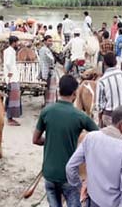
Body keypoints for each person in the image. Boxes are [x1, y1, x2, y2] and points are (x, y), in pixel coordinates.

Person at [34, 75, 98, 207]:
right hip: (69, 176)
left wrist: (52, 140)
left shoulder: (46, 111)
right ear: (75, 93)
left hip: (49, 174)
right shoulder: (80, 116)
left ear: (58, 90)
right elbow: (99, 137)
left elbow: (35, 140)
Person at [65, 106, 122, 207]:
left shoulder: (91, 137)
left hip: (92, 200)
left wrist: (80, 186)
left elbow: (70, 167)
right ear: (121, 124)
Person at [95, 52, 122, 128]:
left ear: (104, 63)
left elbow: (99, 106)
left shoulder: (102, 80)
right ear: (116, 62)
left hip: (111, 115)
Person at [3, 35, 23, 126]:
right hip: (12, 78)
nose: (18, 44)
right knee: (13, 98)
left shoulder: (7, 51)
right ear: (14, 42)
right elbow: (7, 63)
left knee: (10, 97)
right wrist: (10, 72)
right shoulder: (11, 52)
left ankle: (9, 116)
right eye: (17, 42)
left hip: (11, 77)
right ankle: (10, 118)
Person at [39, 34, 58, 106]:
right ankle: (49, 104)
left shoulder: (44, 49)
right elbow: (51, 60)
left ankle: (47, 103)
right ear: (45, 42)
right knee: (49, 89)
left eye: (51, 41)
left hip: (45, 71)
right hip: (47, 72)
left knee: (47, 89)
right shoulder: (45, 50)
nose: (51, 42)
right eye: (49, 41)